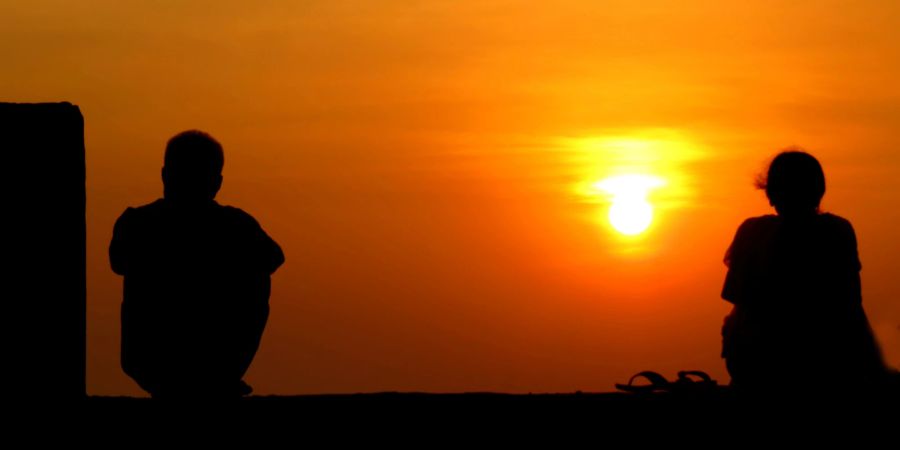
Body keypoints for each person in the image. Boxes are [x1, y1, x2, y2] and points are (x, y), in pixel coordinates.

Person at [110, 130, 284, 398]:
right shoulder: (235, 226)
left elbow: (118, 261)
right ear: (216, 182)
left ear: (165, 175)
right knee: (255, 273)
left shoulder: (137, 222)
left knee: (256, 269)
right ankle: (217, 375)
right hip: (182, 358)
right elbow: (272, 258)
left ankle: (212, 375)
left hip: (152, 359)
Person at [720, 150, 886, 394]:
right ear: (819, 190)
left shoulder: (752, 232)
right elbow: (850, 305)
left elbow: (735, 297)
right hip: (821, 364)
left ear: (770, 192)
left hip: (757, 364)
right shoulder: (836, 231)